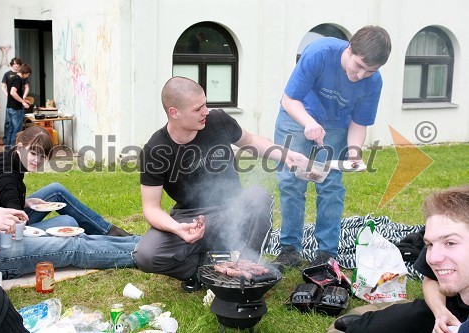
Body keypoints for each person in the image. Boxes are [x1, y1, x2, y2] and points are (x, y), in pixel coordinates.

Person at [132, 76, 308, 291]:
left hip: (232, 210)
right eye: (198, 109)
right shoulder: (155, 150)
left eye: (205, 104)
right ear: (174, 112)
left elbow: (250, 141)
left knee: (258, 195)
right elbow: (151, 208)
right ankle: (200, 270)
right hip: (190, 218)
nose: (206, 111)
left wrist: (285, 155)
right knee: (146, 254)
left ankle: (246, 268)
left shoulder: (218, 121)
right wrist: (177, 228)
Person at [272, 26, 392, 270]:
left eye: (370, 71)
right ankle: (289, 248)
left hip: (337, 125)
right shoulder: (320, 53)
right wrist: (309, 123)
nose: (360, 75)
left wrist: (354, 151)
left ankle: (326, 252)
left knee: (331, 187)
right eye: (358, 66)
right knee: (292, 182)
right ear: (350, 49)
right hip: (297, 114)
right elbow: (289, 99)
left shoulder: (373, 82)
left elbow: (359, 122)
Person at [0, 129, 141, 279]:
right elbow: (10, 216)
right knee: (72, 242)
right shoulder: (7, 175)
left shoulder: (9, 159)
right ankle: (147, 253)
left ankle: (138, 242)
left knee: (64, 214)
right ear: (20, 147)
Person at [334, 185, 469, 333]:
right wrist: (441, 312)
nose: (434, 258)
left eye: (450, 243)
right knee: (370, 328)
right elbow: (430, 278)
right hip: (451, 308)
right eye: (429, 244)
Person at [0, 127, 131, 236]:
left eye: (42, 156)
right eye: (33, 153)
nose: (37, 160)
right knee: (68, 222)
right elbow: (14, 221)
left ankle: (108, 231)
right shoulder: (8, 177)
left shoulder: (9, 156)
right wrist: (17, 205)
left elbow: (4, 196)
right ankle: (109, 234)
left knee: (56, 190)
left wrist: (25, 202)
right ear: (20, 147)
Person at [1, 57, 30, 146]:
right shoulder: (18, 79)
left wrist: (23, 99)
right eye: (28, 74)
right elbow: (13, 92)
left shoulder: (12, 78)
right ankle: (13, 149)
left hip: (10, 107)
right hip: (16, 108)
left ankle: (8, 148)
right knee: (16, 130)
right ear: (25, 73)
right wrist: (22, 102)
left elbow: (13, 93)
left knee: (10, 129)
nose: (28, 76)